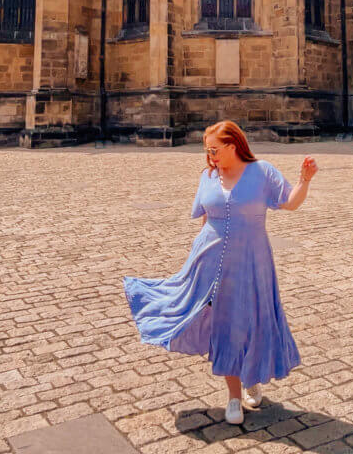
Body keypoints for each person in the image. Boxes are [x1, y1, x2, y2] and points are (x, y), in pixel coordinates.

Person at [124, 120, 318, 425]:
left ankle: (251, 375)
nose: (210, 155)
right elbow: (205, 221)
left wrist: (304, 181)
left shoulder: (262, 172)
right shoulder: (208, 176)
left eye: (214, 149)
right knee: (225, 325)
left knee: (252, 321)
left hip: (253, 262)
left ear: (233, 145)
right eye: (207, 150)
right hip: (210, 263)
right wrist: (195, 264)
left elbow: (289, 203)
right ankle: (233, 397)